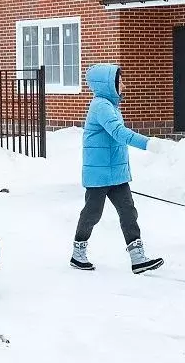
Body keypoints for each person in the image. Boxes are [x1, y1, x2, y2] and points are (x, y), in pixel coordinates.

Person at [70, 64, 176, 274]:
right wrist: (149, 143)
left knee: (128, 212)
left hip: (116, 172)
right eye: (120, 81)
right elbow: (118, 133)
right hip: (99, 173)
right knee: (92, 214)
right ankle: (78, 253)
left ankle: (138, 258)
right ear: (109, 85)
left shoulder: (111, 106)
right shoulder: (101, 106)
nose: (124, 85)